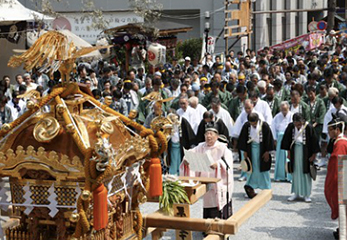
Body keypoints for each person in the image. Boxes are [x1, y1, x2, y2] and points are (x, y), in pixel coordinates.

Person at [180, 122, 233, 220]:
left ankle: (220, 227)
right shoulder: (201, 146)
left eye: (211, 134)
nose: (208, 136)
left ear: (217, 136)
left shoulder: (223, 148)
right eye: (206, 134)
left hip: (219, 182)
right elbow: (190, 153)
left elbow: (228, 165)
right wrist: (186, 159)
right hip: (206, 181)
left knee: (218, 203)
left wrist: (217, 165)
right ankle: (207, 227)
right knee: (208, 203)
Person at [281, 113, 319, 202]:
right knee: (295, 172)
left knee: (305, 173)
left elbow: (314, 141)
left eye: (299, 123)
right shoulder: (290, 127)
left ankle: (306, 194)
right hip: (294, 151)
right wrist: (288, 153)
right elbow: (287, 141)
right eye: (296, 123)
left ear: (303, 121)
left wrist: (314, 155)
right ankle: (296, 193)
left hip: (306, 151)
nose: (298, 125)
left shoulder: (308, 127)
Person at [238, 112, 275, 198]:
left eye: (254, 123)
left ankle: (266, 189)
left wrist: (267, 152)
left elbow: (269, 139)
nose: (253, 125)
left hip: (262, 150)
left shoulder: (264, 126)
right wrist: (245, 151)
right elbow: (243, 139)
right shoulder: (247, 126)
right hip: (250, 150)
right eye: (251, 123)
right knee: (251, 169)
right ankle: (250, 188)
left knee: (263, 169)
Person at [325, 117, 347, 239]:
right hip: (344, 177)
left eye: (330, 130)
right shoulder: (340, 141)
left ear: (337, 130)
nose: (328, 133)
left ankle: (343, 235)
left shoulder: (341, 143)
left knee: (343, 208)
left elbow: (338, 165)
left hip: (343, 180)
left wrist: (331, 183)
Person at [271, 101, 293, 182]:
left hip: (289, 138)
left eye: (285, 110)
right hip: (279, 138)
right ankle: (280, 176)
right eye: (282, 109)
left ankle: (289, 176)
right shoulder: (277, 116)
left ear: (288, 108)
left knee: (288, 157)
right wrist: (274, 139)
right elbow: (273, 127)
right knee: (280, 158)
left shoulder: (291, 115)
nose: (284, 111)